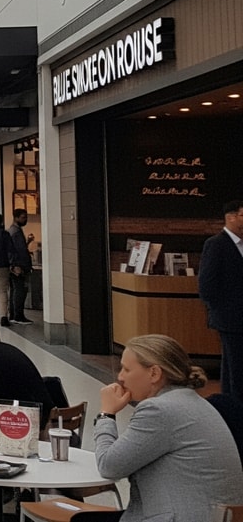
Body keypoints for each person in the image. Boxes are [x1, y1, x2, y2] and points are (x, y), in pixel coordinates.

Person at [95, 334, 243, 522]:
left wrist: (106, 414)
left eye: (126, 369)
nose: (120, 377)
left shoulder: (159, 410)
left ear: (154, 373)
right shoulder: (192, 401)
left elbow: (109, 466)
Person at [199, 201, 243, 398]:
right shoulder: (216, 244)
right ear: (231, 217)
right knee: (236, 367)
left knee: (232, 366)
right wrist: (220, 311)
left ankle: (231, 402)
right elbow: (206, 285)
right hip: (230, 317)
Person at [6, 209, 34, 324]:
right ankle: (18, 315)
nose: (25, 219)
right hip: (19, 265)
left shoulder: (12, 231)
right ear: (16, 217)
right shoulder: (16, 232)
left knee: (15, 290)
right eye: (23, 217)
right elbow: (19, 250)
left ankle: (13, 314)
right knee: (19, 290)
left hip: (14, 265)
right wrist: (18, 265)